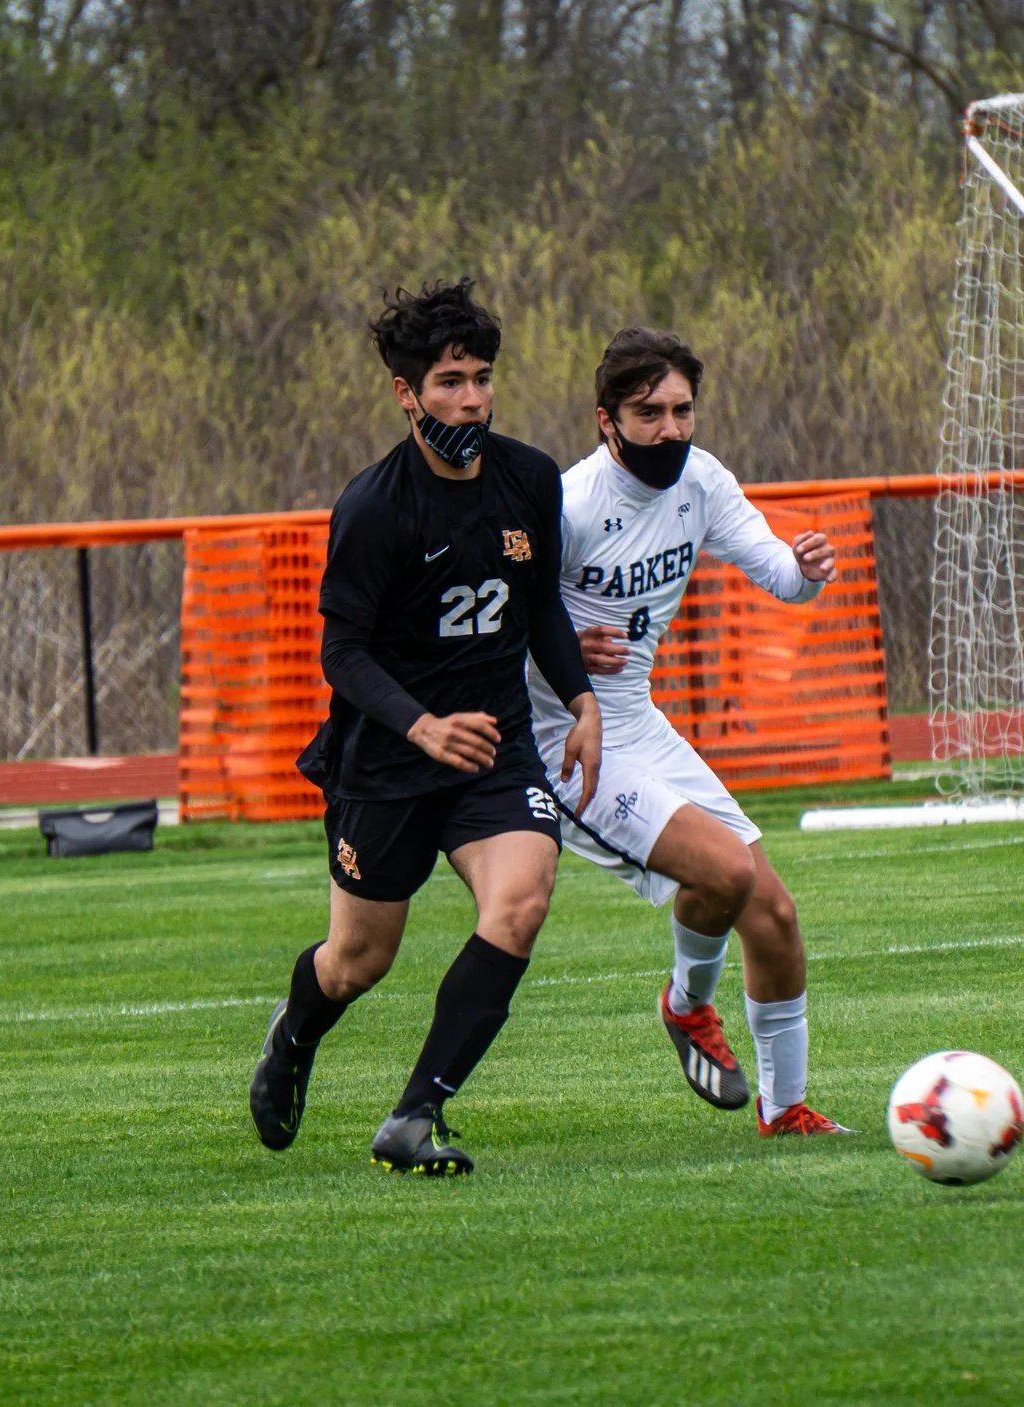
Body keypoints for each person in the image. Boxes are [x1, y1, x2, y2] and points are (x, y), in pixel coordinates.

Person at [247, 278, 601, 1177]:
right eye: (449, 381)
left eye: (481, 377)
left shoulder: (527, 477)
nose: (472, 397)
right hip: (387, 762)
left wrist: (584, 700)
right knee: (358, 961)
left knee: (520, 901)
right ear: (407, 394)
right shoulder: (374, 507)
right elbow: (344, 653)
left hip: (494, 749)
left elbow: (544, 610)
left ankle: (415, 1114)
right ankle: (293, 1034)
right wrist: (421, 726)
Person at [527, 326, 848, 1136]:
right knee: (724, 874)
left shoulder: (701, 481)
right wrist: (560, 653)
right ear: (607, 420)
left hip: (640, 720)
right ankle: (686, 1007)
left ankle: (787, 1110)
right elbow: (498, 633)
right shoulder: (567, 505)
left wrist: (806, 571)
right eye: (650, 412)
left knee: (772, 911)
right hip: (568, 738)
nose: (671, 427)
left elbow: (778, 573)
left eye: (682, 409)